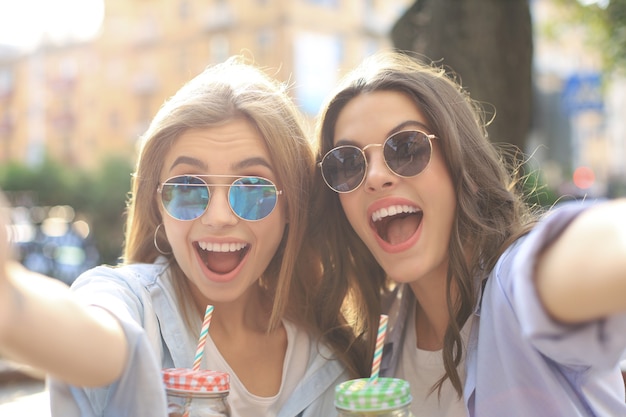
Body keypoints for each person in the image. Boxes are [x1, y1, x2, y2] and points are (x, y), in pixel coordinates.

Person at [0, 55, 368, 417]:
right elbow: (98, 339)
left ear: (292, 208)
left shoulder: (331, 365)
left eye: (254, 188)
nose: (220, 217)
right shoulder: (133, 302)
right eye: (188, 187)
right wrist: (12, 303)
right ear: (157, 204)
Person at [311, 50, 626, 416]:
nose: (376, 176)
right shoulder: (383, 340)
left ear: (462, 164)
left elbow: (587, 254)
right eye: (348, 162)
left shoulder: (514, 286)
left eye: (407, 148)